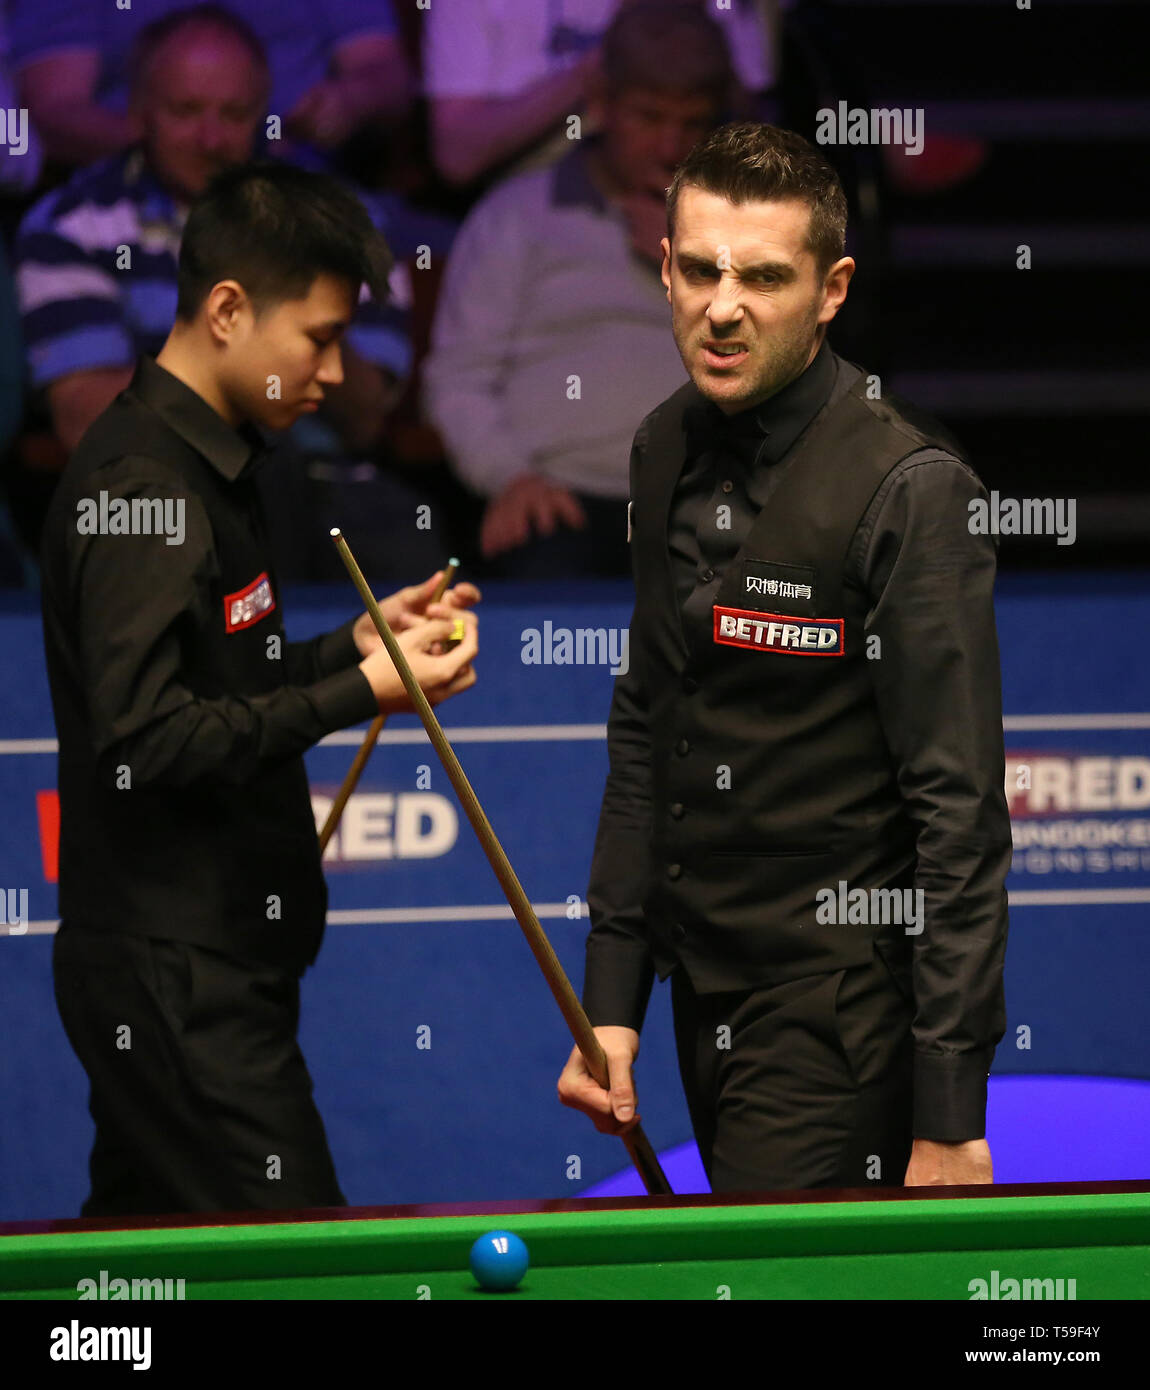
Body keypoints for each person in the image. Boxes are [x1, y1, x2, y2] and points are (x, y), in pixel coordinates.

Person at [557, 121, 1012, 1191]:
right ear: (664, 267)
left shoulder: (910, 485)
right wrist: (611, 1005)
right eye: (702, 269)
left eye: (764, 277)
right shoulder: (660, 441)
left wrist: (947, 1111)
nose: (723, 307)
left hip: (836, 1014)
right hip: (699, 1002)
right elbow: (646, 728)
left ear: (832, 287)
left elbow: (959, 814)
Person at [39, 159, 480, 1216]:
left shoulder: (217, 463)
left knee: (145, 1262)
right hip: (174, 974)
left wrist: (356, 648)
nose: (336, 372)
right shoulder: (140, 489)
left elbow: (230, 682)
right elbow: (144, 739)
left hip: (204, 962)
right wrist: (358, 694)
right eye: (318, 338)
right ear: (229, 310)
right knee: (301, 1270)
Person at [422, 1, 730, 577]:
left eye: (691, 124)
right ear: (601, 104)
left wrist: (703, 265)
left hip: (706, 505)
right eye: (648, 117)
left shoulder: (751, 227)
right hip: (554, 499)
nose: (669, 146)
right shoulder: (518, 213)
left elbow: (795, 368)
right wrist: (508, 478)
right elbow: (458, 378)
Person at [6, 0, 411, 168]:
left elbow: (388, 72)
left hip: (307, 178)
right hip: (135, 199)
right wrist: (185, 145)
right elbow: (53, 111)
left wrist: (351, 100)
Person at [423, 0, 781, 189]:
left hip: (687, 203)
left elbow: (755, 133)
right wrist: (616, 50)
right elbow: (457, 156)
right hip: (538, 207)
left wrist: (688, 28)